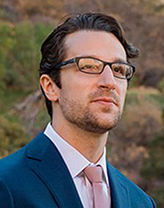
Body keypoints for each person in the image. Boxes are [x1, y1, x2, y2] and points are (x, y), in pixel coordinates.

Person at [0, 12, 156, 208]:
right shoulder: (6, 184)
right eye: (89, 66)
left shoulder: (141, 202)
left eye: (118, 69)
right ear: (50, 87)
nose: (109, 82)